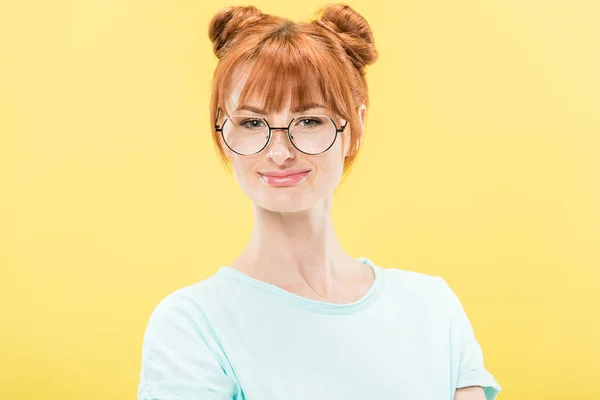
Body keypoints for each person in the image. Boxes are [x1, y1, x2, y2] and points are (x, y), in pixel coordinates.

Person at [137, 4, 502, 399]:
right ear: (224, 134)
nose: (279, 152)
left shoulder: (433, 308)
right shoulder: (192, 325)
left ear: (355, 126)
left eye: (309, 121)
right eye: (252, 123)